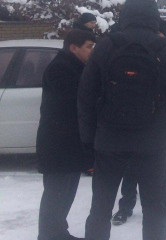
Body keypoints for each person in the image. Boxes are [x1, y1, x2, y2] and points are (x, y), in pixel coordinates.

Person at [78, 0, 166, 240]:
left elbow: (86, 95)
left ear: (125, 14)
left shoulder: (106, 46)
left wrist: (88, 139)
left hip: (109, 140)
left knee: (100, 208)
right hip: (152, 143)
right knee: (154, 209)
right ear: (154, 15)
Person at [111, 19, 166, 226]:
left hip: (161, 123)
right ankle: (126, 206)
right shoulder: (135, 51)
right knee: (130, 168)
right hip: (132, 121)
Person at [37, 29, 96, 240]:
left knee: (65, 194)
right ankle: (48, 235)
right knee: (56, 195)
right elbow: (73, 105)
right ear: (73, 47)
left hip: (69, 145)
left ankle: (59, 232)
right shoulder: (61, 69)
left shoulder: (75, 66)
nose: (92, 51)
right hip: (58, 146)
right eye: (89, 46)